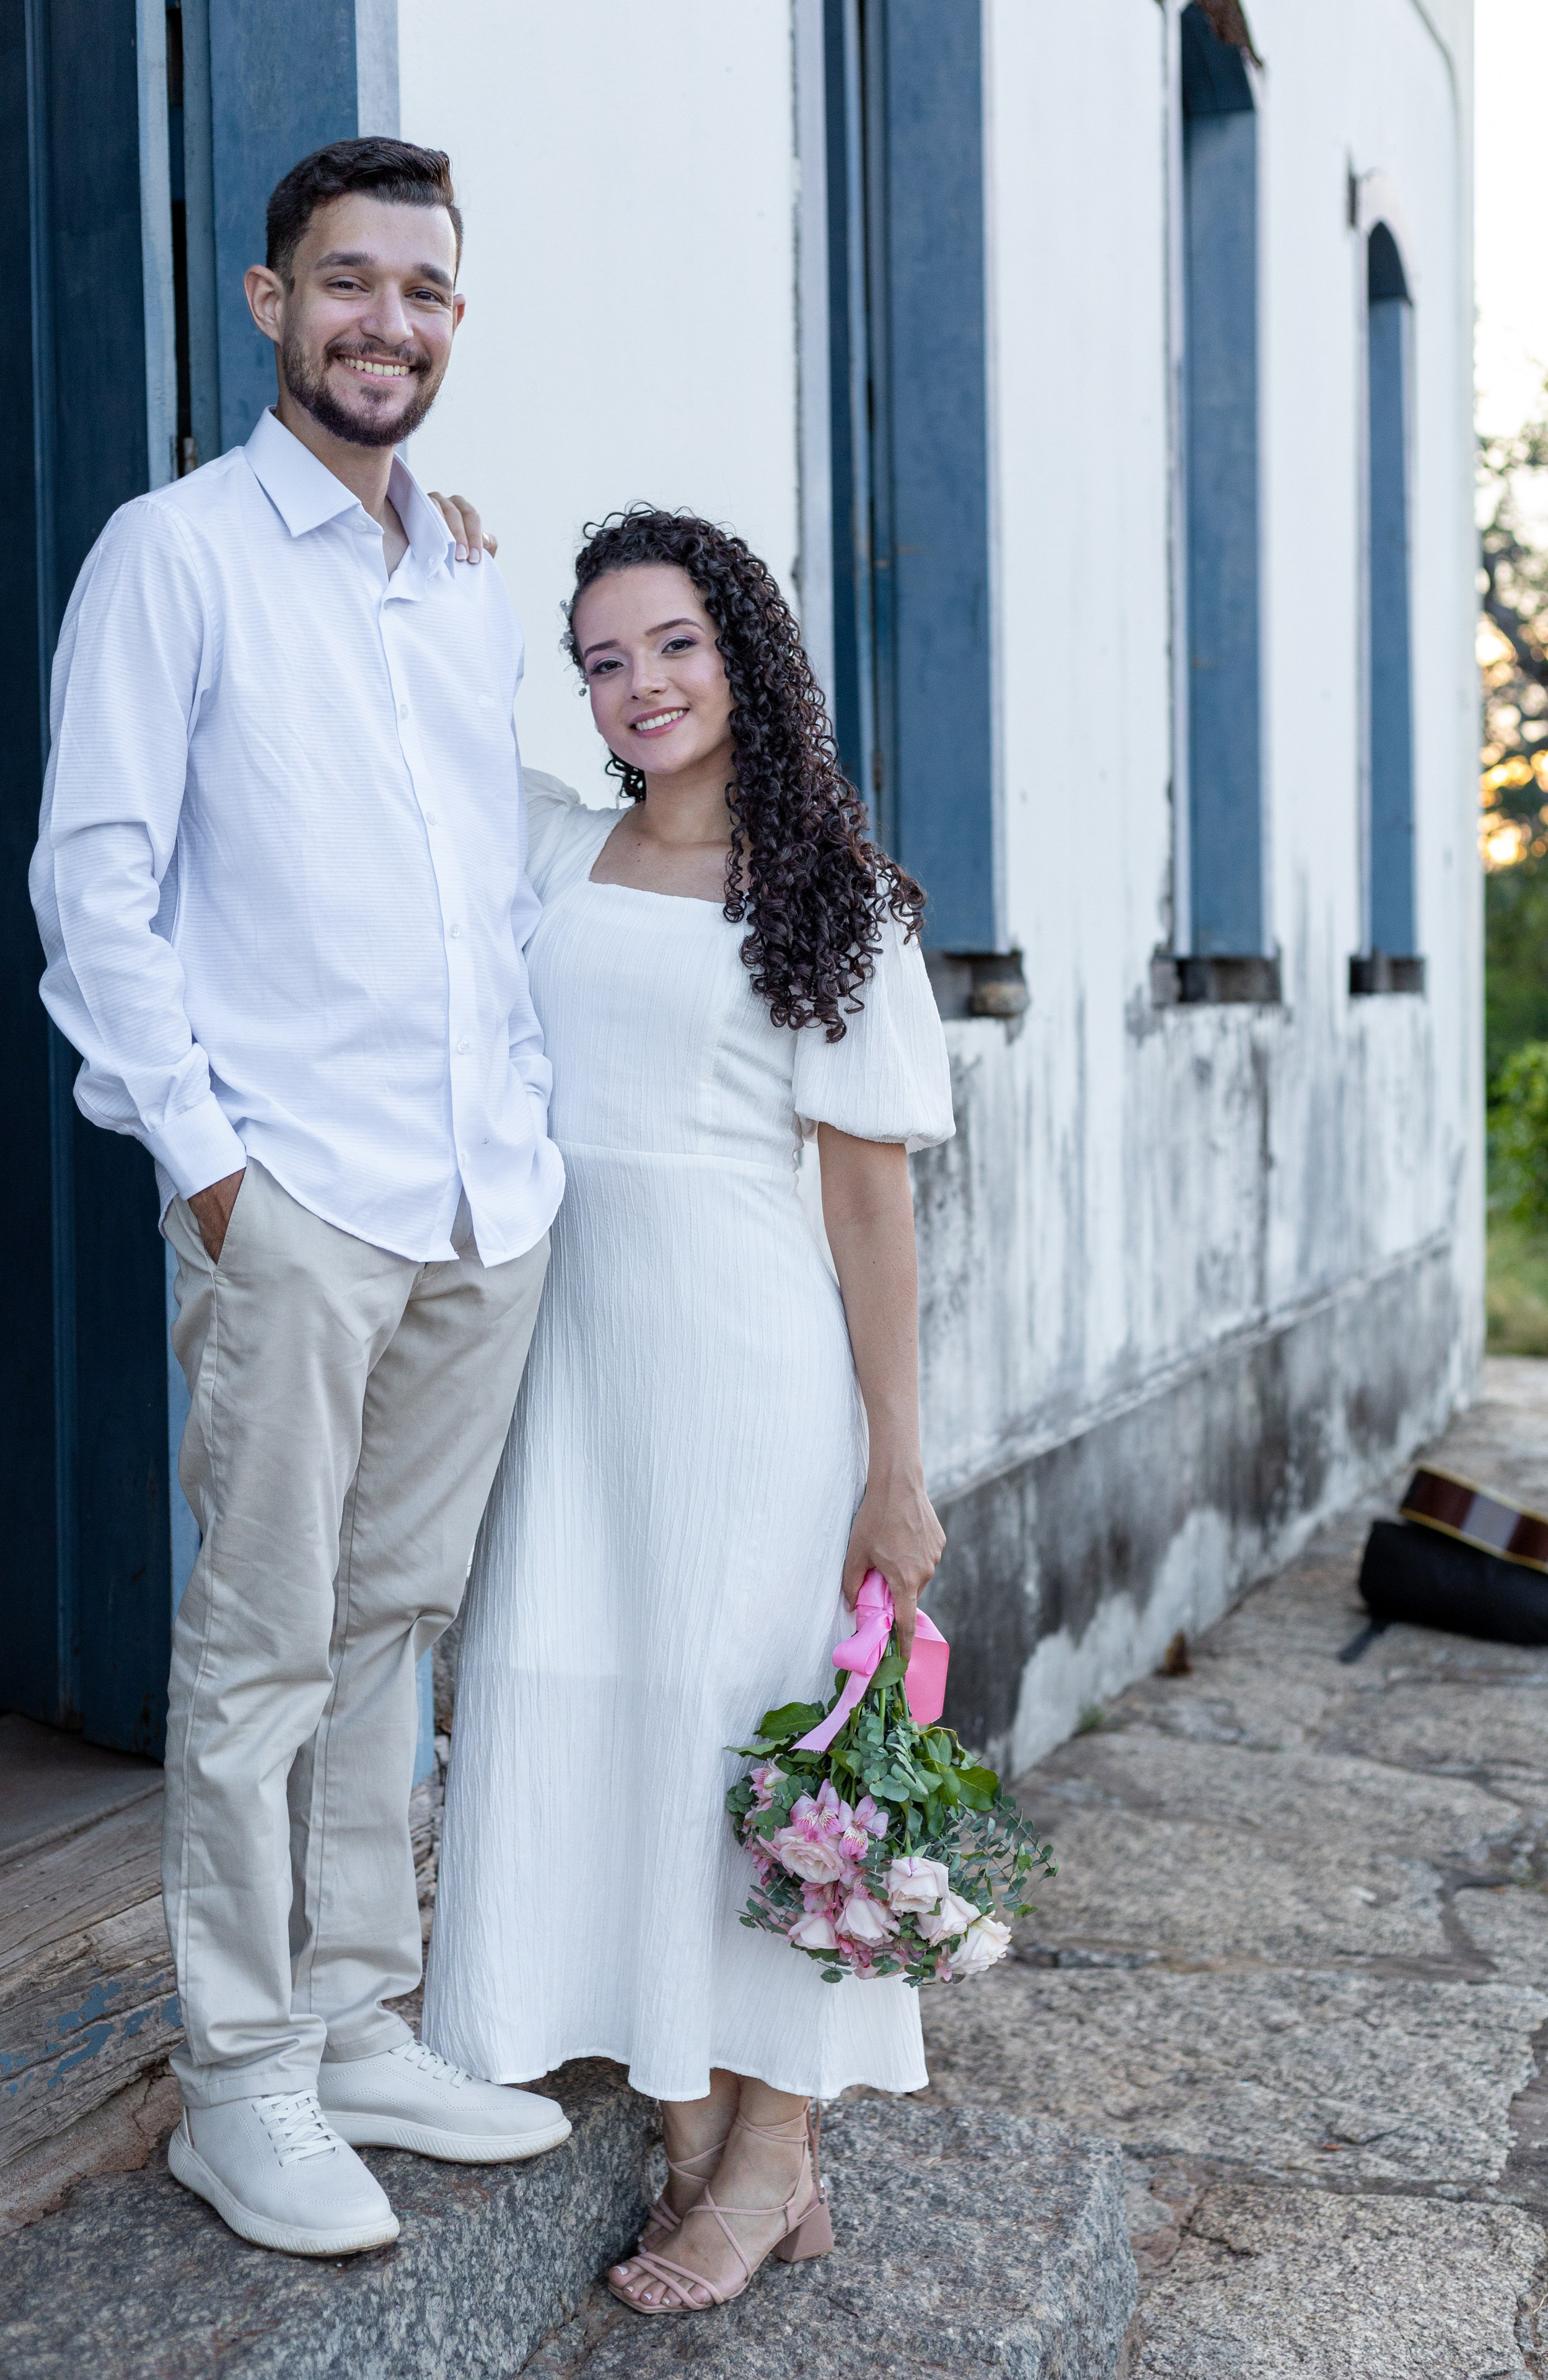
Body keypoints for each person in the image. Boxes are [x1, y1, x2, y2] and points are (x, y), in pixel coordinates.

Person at [29, 138, 571, 2260]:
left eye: (425, 292)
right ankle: (236, 2080)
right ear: (271, 305)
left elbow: (482, 863)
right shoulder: (171, 557)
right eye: (349, 284)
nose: (389, 325)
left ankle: (355, 2015)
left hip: (475, 1198)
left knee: (392, 1629)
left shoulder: (465, 578)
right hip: (297, 1195)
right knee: (259, 1650)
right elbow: (95, 882)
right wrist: (216, 1168)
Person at [422, 507, 955, 2315]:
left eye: (672, 645)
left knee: (756, 1760)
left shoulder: (837, 908)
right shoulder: (552, 855)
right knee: (618, 1733)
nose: (638, 684)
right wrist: (420, 553)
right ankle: (687, 2127)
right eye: (600, 658)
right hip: (569, 1375)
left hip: (752, 1383)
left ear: (744, 653)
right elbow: (396, 725)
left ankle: (775, 2146)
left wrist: (897, 1464)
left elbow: (871, 1207)